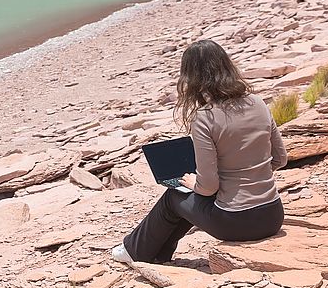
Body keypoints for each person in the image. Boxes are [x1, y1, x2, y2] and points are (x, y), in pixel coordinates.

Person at [112, 39, 287, 265]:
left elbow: (208, 187)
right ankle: (156, 255)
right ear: (226, 66)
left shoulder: (206, 117)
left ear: (192, 78)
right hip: (273, 215)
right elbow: (280, 158)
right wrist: (248, 174)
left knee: (176, 196)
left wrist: (195, 183)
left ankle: (133, 251)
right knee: (187, 199)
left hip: (236, 221)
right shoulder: (258, 102)